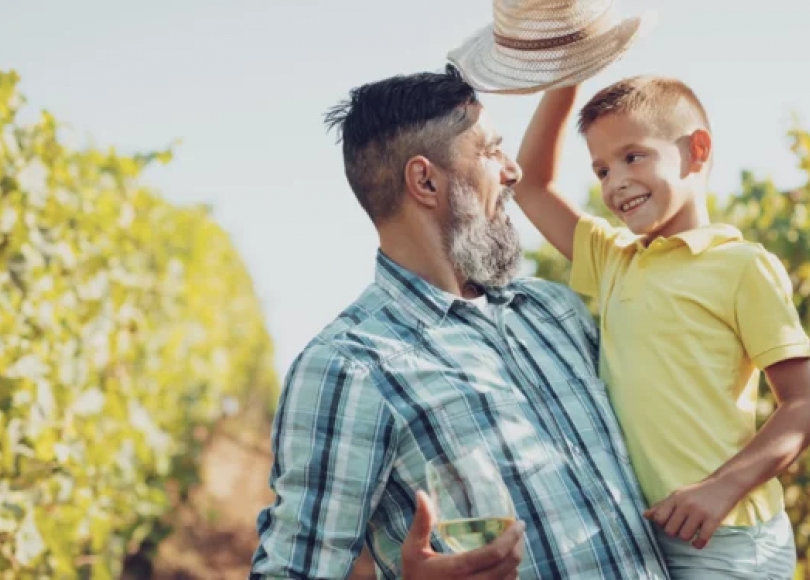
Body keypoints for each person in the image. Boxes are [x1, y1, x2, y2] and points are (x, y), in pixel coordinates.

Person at [248, 66, 669, 579]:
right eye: (491, 151)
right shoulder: (349, 367)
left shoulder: (553, 313)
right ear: (425, 180)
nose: (513, 171)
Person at [514, 77, 810, 578]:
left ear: (696, 151)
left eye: (633, 157)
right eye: (602, 169)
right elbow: (530, 186)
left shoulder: (741, 265)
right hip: (644, 533)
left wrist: (721, 488)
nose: (615, 183)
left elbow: (802, 402)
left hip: (729, 537)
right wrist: (567, 74)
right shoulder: (613, 260)